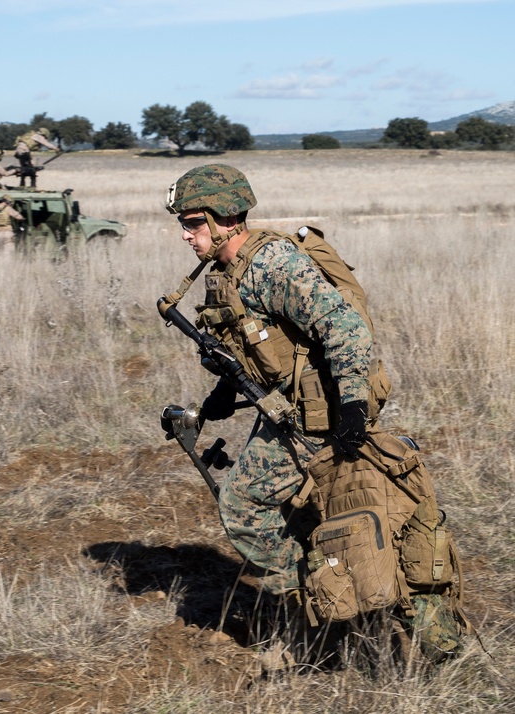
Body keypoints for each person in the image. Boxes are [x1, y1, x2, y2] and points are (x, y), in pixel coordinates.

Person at [160, 164, 463, 662]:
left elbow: (345, 328)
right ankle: (342, 601)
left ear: (223, 218)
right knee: (331, 509)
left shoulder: (271, 265)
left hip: (320, 411)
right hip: (289, 405)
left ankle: (323, 609)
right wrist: (221, 393)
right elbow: (265, 348)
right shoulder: (230, 271)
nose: (186, 235)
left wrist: (351, 408)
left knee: (245, 506)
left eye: (192, 223)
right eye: (184, 225)